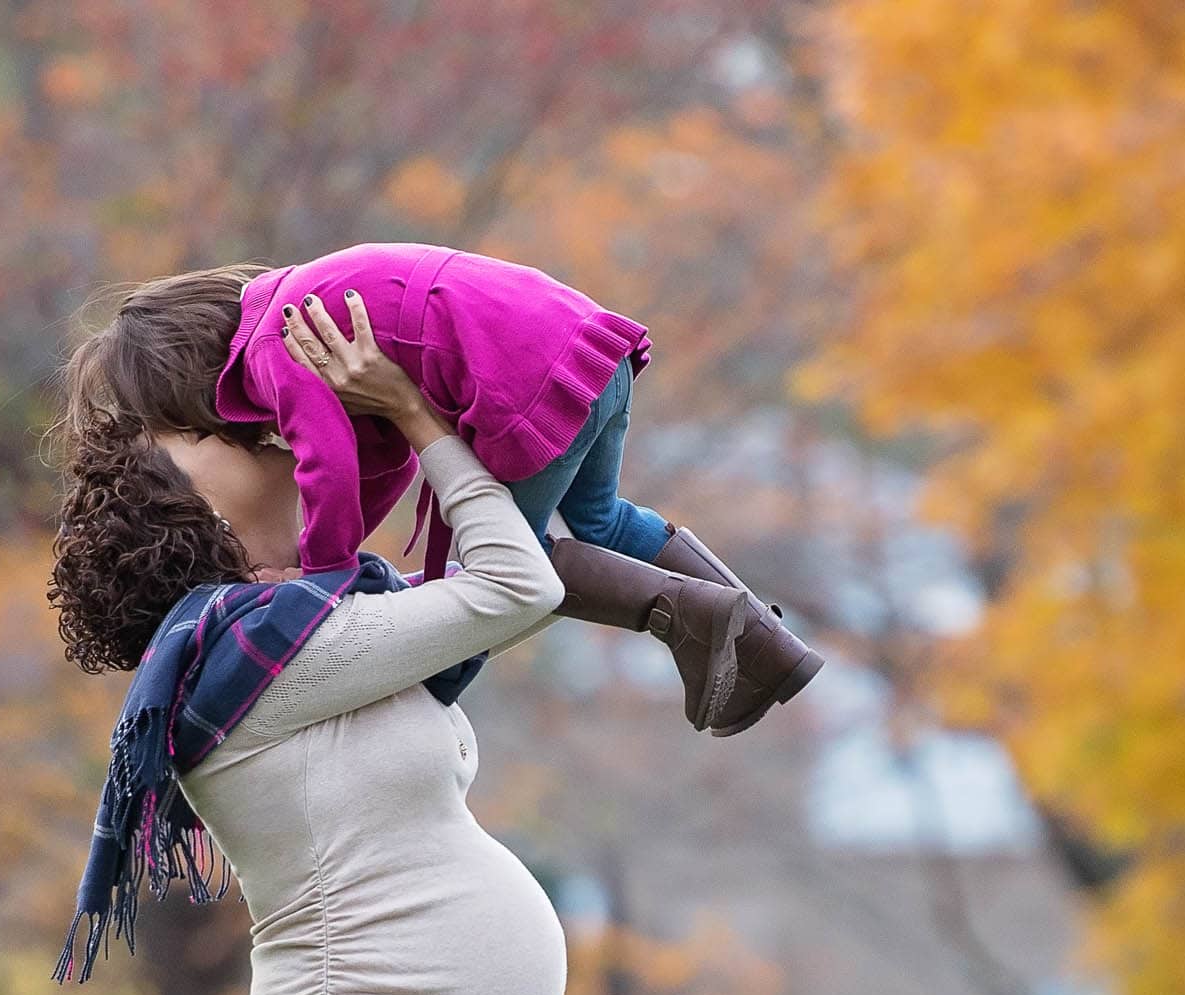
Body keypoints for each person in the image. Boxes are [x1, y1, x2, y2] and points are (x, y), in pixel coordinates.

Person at [44, 302, 724, 995]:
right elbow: (508, 583)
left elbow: (505, 568)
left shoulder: (293, 640)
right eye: (241, 442)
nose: (283, 444)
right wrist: (413, 414)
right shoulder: (275, 661)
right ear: (204, 522)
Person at [73, 244, 822, 737]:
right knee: (598, 517)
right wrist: (349, 540)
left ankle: (685, 621)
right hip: (587, 351)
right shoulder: (297, 317)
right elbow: (387, 461)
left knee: (507, 561)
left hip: (526, 378)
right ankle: (768, 641)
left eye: (182, 425)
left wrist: (326, 572)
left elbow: (331, 466)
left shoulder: (280, 351)